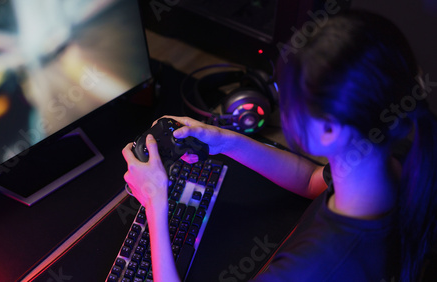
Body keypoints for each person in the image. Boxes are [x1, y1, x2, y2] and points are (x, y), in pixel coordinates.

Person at [122, 10, 437, 282]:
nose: (284, 110)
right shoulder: (397, 155)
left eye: (290, 101)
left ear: (329, 130)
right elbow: (312, 181)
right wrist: (224, 140)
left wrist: (155, 202)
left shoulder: (312, 267)